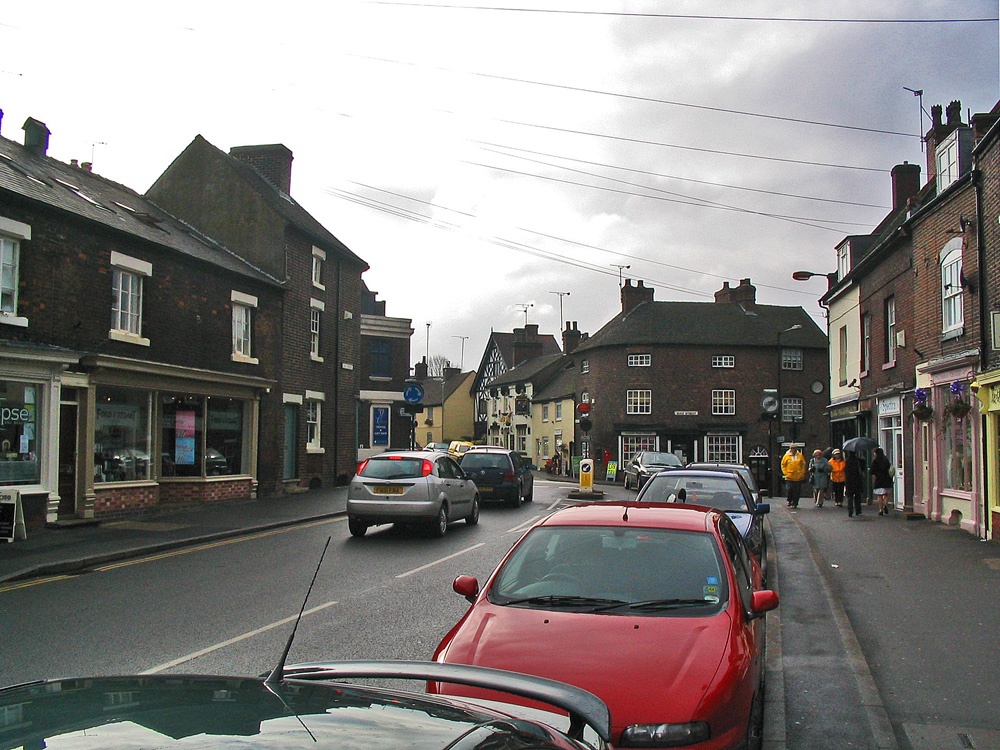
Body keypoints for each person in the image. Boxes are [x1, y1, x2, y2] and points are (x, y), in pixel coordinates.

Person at [781, 444, 807, 508]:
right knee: (789, 489)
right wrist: (786, 473)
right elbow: (783, 465)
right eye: (792, 448)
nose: (794, 450)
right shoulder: (786, 456)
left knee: (797, 491)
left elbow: (803, 465)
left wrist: (802, 473)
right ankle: (789, 500)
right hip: (789, 476)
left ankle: (795, 503)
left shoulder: (800, 456)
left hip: (798, 477)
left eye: (795, 448)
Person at [870, 447, 893, 515]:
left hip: (879, 480)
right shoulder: (886, 460)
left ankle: (881, 509)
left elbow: (872, 471)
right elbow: (889, 468)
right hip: (887, 479)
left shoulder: (875, 461)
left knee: (879, 496)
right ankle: (885, 504)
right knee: (886, 494)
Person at [844, 450, 864, 517]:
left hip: (849, 481)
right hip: (857, 480)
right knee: (857, 496)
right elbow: (862, 468)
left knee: (850, 497)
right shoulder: (858, 461)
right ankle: (858, 510)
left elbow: (845, 471)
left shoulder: (847, 461)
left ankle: (850, 511)